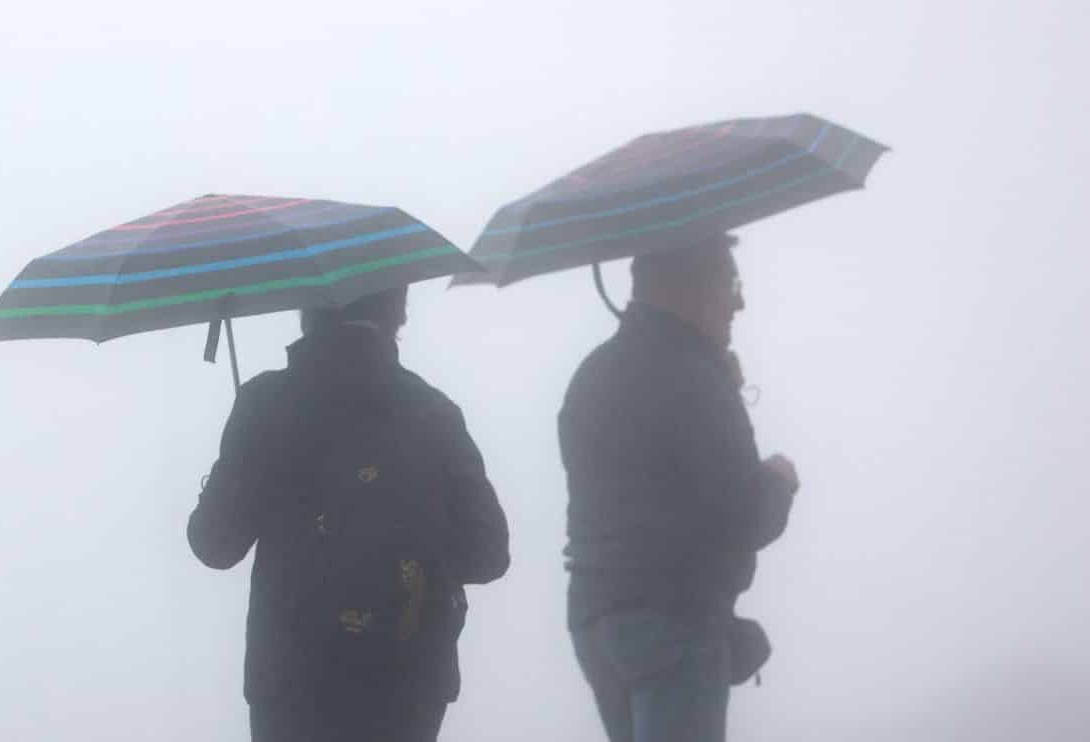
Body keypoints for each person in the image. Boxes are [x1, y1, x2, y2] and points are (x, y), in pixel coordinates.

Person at [188, 286, 511, 742]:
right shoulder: (436, 414)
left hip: (292, 686)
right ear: (398, 313)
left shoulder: (266, 404)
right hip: (408, 681)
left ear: (307, 313)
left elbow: (214, 544)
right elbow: (488, 554)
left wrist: (237, 465)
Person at [560, 237, 800, 742]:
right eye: (728, 281)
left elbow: (648, 490)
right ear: (688, 286)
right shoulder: (691, 376)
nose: (738, 302)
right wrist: (779, 482)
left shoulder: (593, 373)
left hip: (597, 618)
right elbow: (741, 515)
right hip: (674, 621)